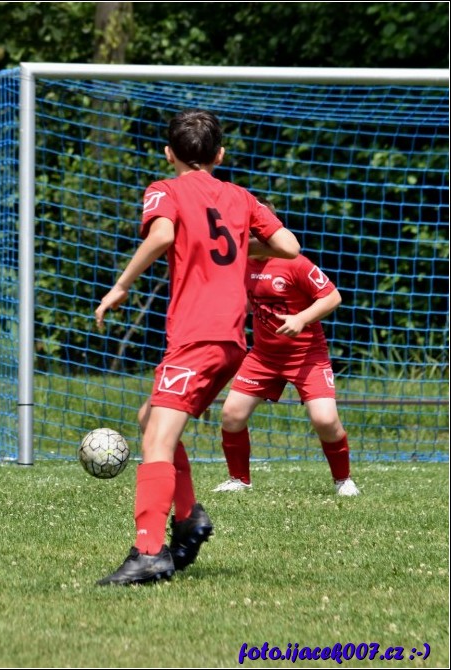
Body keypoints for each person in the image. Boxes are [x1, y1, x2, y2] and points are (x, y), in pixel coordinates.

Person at [92, 109, 300, 586]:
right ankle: (188, 518)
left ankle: (148, 552)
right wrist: (242, 245)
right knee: (152, 420)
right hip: (229, 338)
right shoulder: (241, 196)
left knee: (156, 441)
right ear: (220, 155)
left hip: (196, 335)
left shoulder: (164, 189)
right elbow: (288, 246)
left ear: (169, 154)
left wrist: (122, 286)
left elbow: (163, 234)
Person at [216, 199, 359, 496]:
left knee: (325, 420)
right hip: (264, 356)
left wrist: (301, 318)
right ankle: (239, 480)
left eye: (246, 232)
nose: (238, 238)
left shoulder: (295, 263)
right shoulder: (239, 263)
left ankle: (343, 481)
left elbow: (333, 297)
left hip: (307, 356)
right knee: (231, 416)